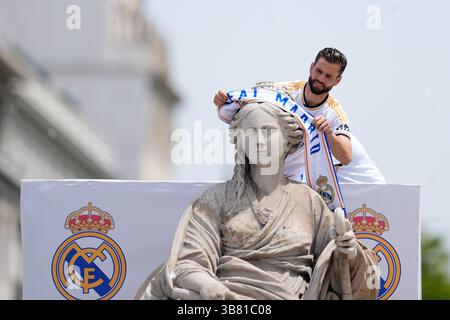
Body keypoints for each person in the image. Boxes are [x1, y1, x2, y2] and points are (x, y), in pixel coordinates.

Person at [136, 102, 379, 300]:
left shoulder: (310, 202)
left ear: (287, 140)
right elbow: (188, 263)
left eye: (267, 132)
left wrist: (349, 252)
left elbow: (342, 269)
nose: (259, 141)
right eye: (250, 134)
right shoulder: (217, 199)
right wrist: (208, 286)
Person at [213, 47, 385, 184]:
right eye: (318, 71)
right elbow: (243, 110)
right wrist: (222, 101)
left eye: (328, 76)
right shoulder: (284, 91)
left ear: (337, 80)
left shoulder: (334, 113)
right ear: (311, 67)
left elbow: (346, 156)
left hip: (293, 181)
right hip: (260, 172)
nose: (320, 78)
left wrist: (329, 134)